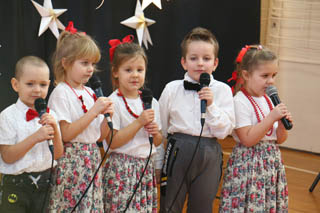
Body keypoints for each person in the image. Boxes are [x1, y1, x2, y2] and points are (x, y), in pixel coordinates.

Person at [159, 27, 235, 212]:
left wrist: (211, 105)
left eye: (206, 59)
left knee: (202, 206)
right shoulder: (172, 89)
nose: (200, 63)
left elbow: (224, 132)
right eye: (193, 58)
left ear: (215, 63)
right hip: (177, 150)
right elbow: (160, 129)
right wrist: (158, 163)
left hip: (209, 152)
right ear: (184, 62)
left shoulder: (223, 90)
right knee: (170, 204)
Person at [219, 45, 293, 212]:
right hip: (249, 165)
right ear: (246, 75)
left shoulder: (269, 100)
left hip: (271, 163)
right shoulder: (240, 101)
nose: (271, 81)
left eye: (274, 75)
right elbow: (248, 139)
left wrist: (281, 125)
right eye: (265, 76)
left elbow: (279, 139)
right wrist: (271, 118)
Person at [47, 28, 113, 212]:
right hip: (72, 161)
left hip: (92, 157)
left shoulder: (90, 92)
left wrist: (107, 120)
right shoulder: (61, 92)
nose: (90, 69)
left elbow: (99, 137)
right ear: (66, 63)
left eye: (92, 64)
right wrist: (93, 112)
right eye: (84, 63)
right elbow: (65, 133)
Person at [102, 35, 162, 212]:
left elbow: (157, 142)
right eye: (128, 70)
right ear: (115, 72)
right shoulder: (113, 103)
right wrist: (139, 122)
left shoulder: (151, 102)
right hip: (121, 170)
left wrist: (155, 132)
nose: (135, 75)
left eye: (140, 70)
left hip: (145, 168)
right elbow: (113, 141)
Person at [0, 55, 63, 212]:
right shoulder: (7, 116)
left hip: (46, 183)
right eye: (30, 84)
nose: (37, 90)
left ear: (49, 85)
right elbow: (7, 157)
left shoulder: (52, 115)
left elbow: (58, 154)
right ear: (16, 85)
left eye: (43, 85)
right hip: (17, 185)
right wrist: (35, 138)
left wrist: (55, 130)